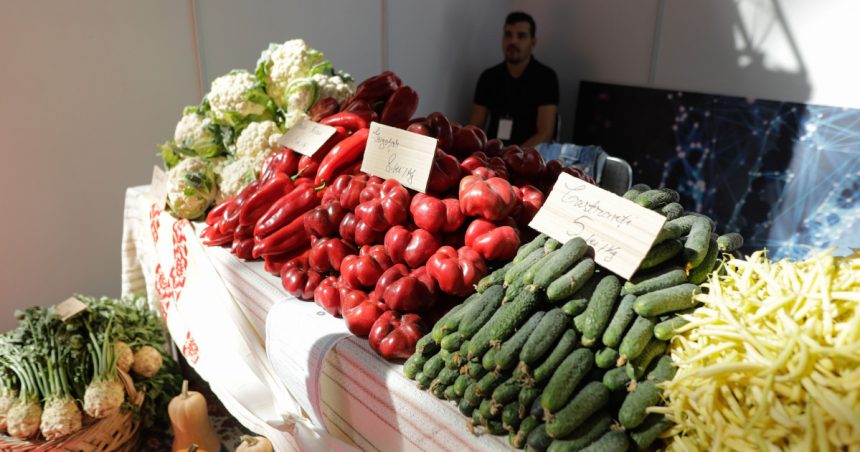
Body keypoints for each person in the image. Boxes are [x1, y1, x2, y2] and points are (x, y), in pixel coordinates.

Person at [468, 11, 559, 147]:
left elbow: (545, 133)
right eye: (508, 34)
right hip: (492, 155)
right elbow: (475, 127)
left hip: (529, 159)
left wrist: (514, 157)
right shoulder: (488, 77)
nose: (513, 41)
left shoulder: (546, 78)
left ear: (533, 42)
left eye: (521, 36)